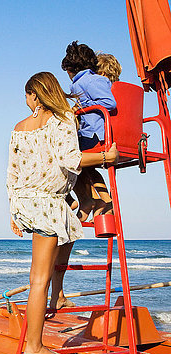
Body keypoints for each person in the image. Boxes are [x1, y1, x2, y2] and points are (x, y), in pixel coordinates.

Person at [7, 71, 119, 354]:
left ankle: (57, 295)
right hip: (47, 204)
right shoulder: (63, 119)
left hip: (28, 202)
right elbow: (72, 159)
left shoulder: (19, 127)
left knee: (65, 234)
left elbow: (12, 173)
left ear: (35, 95)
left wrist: (13, 211)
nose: (25, 99)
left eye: (26, 94)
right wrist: (107, 157)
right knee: (38, 280)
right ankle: (34, 346)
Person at [61, 41, 117, 222]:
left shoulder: (89, 80)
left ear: (70, 69)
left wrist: (83, 107)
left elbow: (109, 102)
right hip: (90, 133)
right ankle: (104, 201)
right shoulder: (86, 81)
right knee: (86, 167)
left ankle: (81, 200)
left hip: (95, 135)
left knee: (67, 157)